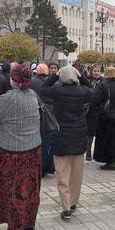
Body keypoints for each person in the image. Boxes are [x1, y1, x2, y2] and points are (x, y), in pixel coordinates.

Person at [0, 63, 42, 230]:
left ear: (15, 79)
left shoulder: (8, 99)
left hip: (13, 153)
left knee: (14, 191)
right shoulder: (33, 95)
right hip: (34, 150)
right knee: (31, 190)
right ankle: (29, 227)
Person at [41, 66, 92, 221]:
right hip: (79, 137)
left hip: (61, 137)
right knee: (76, 175)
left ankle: (66, 206)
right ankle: (74, 202)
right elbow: (92, 90)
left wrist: (55, 76)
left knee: (62, 175)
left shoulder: (57, 91)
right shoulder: (83, 92)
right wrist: (82, 77)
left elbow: (44, 89)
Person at [93, 67, 115, 170]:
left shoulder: (103, 85)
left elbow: (95, 99)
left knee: (106, 139)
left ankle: (109, 161)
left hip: (106, 116)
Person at [31, 64, 55, 177]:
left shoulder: (32, 82)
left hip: (35, 114)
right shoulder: (52, 83)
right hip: (50, 115)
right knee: (47, 142)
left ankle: (35, 167)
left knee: (36, 142)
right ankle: (46, 167)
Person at [86, 65, 104, 161]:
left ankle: (98, 152)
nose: (96, 73)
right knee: (90, 132)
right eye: (95, 71)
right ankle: (88, 151)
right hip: (89, 110)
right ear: (91, 72)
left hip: (100, 110)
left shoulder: (103, 82)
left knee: (98, 132)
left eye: (98, 71)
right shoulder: (88, 81)